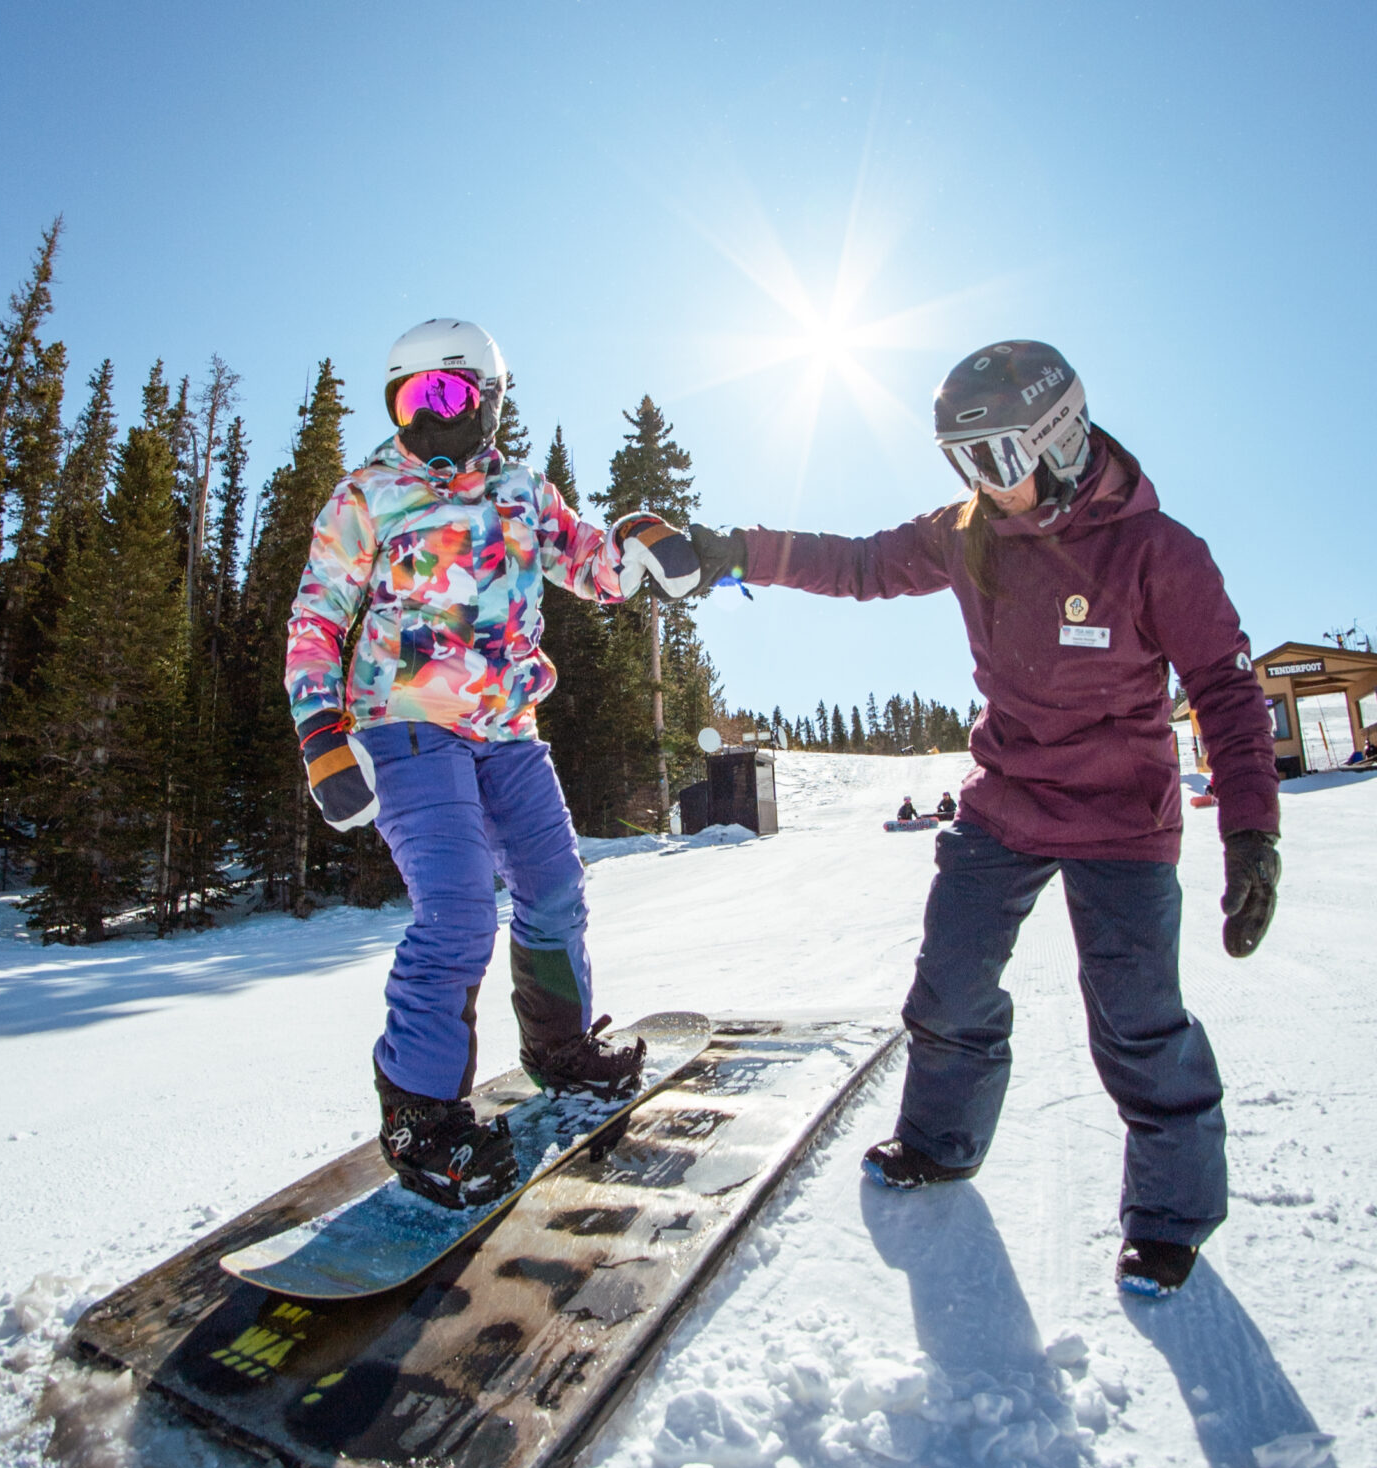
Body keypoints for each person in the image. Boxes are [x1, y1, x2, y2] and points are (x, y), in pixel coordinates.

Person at [689, 340, 1281, 1297]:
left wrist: (1250, 829)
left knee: (1136, 1021)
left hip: (1124, 818)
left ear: (1060, 438)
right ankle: (940, 1142)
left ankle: (1170, 1219)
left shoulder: (1156, 552)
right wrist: (736, 551)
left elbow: (1224, 686)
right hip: (1006, 800)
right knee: (952, 985)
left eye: (996, 459)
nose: (981, 485)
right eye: (961, 462)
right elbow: (861, 564)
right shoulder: (969, 531)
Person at [286, 318, 698, 1207]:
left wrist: (637, 544)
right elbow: (316, 619)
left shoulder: (523, 490)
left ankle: (559, 1048)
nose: (428, 416)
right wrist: (322, 734)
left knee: (555, 892)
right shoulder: (369, 493)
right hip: (404, 725)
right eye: (410, 398)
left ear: (491, 399)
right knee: (460, 911)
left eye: (449, 394)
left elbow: (588, 564)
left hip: (509, 730)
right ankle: (420, 1112)